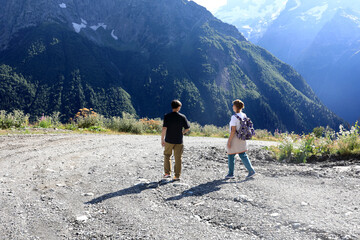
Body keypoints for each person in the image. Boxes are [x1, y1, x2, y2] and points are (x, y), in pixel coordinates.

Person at [226, 99, 256, 179]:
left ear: (235, 107)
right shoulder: (244, 115)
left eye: (233, 106)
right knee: (242, 154)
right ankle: (251, 171)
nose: (232, 107)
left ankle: (230, 174)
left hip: (235, 138)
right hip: (242, 137)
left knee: (231, 155)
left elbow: (233, 131)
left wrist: (229, 141)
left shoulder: (234, 117)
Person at [161, 100, 190, 181]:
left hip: (169, 140)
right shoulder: (182, 117)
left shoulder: (167, 116)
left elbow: (164, 128)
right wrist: (183, 132)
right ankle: (177, 176)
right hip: (179, 141)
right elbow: (187, 128)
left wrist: (162, 139)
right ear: (178, 107)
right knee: (178, 158)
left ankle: (167, 174)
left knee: (167, 156)